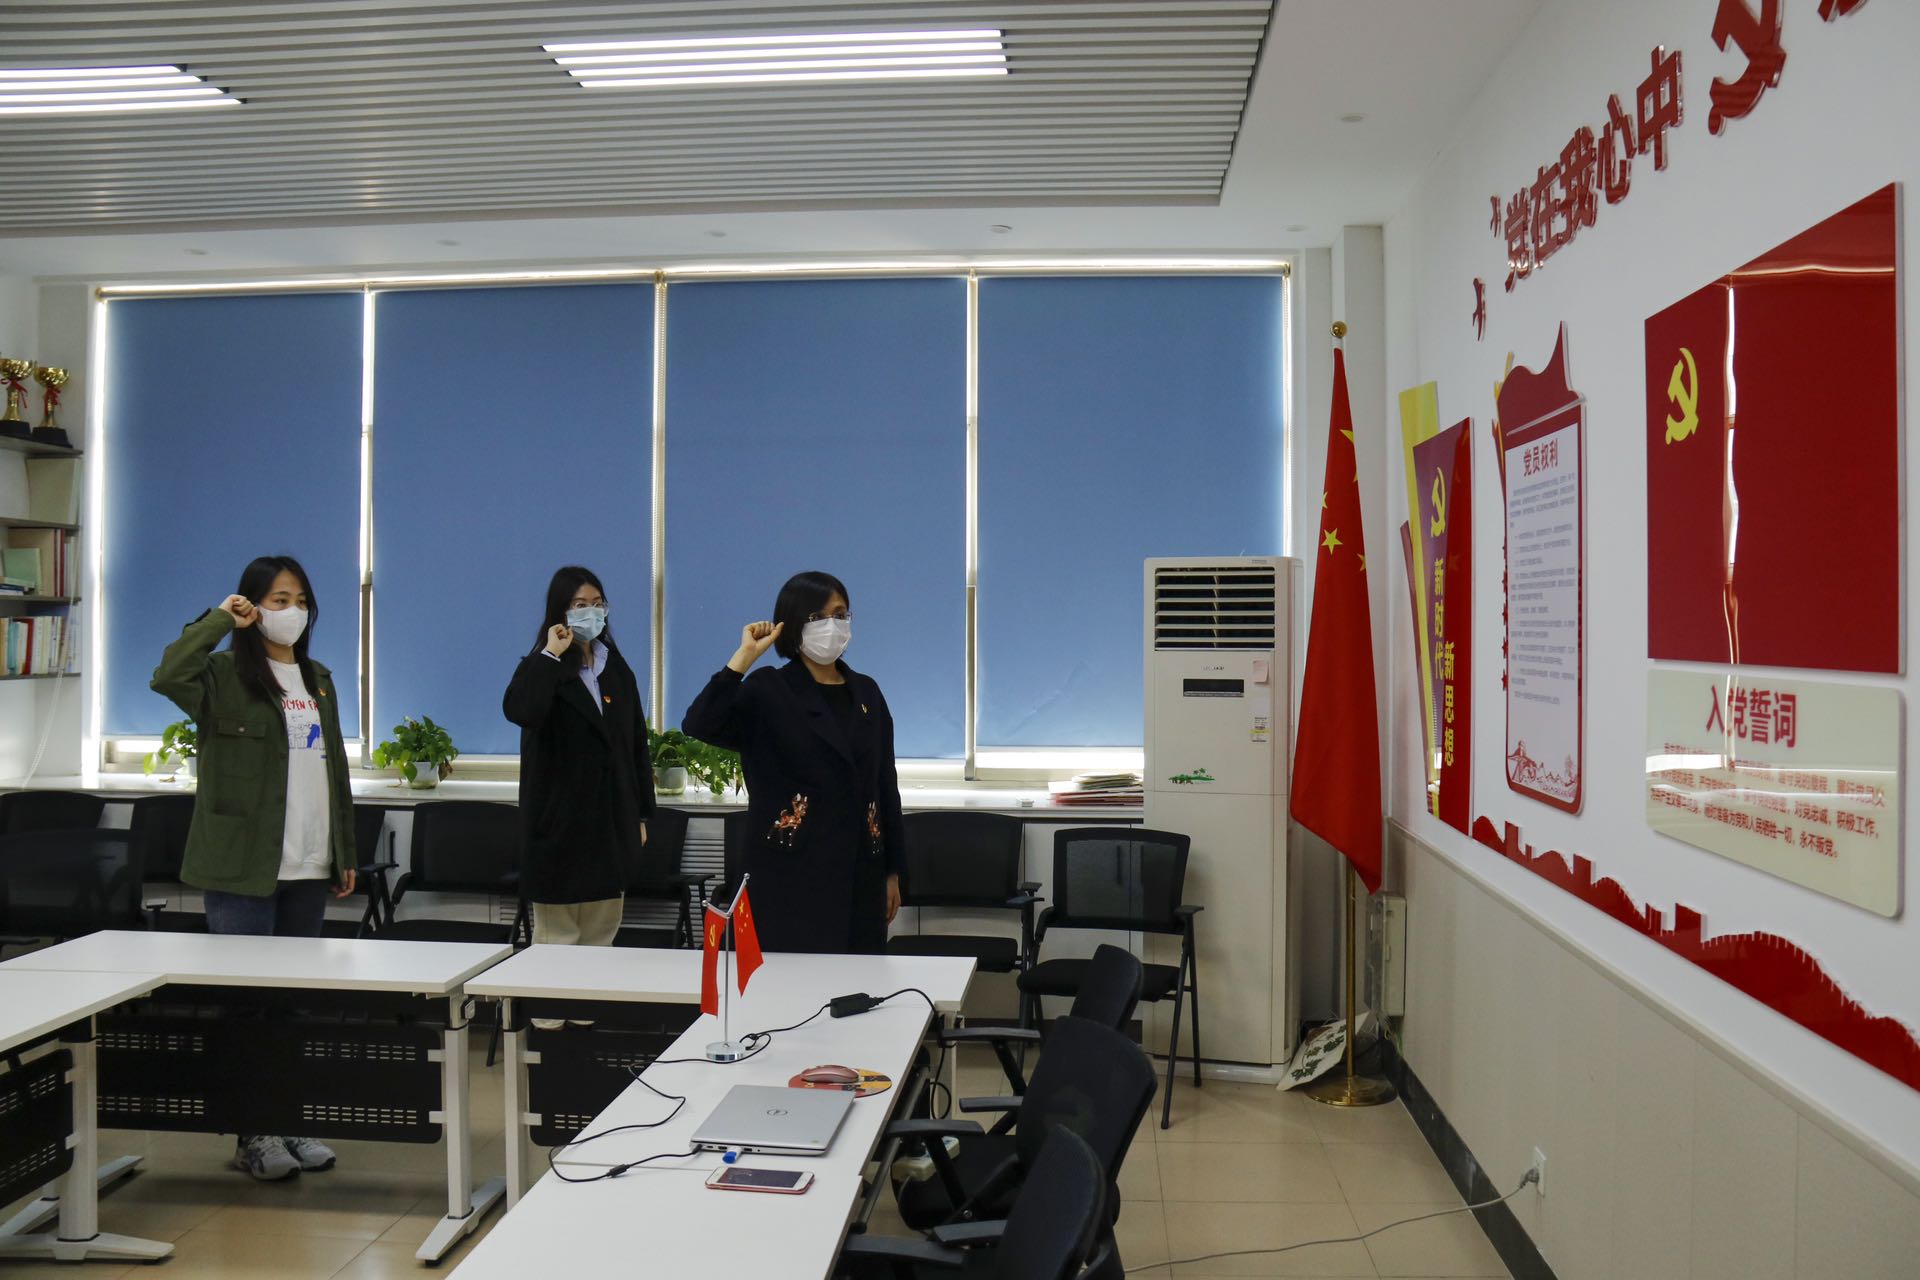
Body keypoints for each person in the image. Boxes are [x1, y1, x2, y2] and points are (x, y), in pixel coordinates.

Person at [150, 555, 356, 1183]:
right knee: (247, 1003)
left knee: (291, 1004)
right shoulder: (220, 676)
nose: (291, 610)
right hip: (242, 865)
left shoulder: (318, 679)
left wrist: (343, 852)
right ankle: (253, 1131)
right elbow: (167, 674)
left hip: (308, 862)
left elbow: (332, 772)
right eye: (277, 599)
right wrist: (219, 620)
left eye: (300, 599)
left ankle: (287, 1118)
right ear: (252, 606)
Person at [684, 571, 904, 954]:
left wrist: (892, 872)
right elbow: (701, 723)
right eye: (818, 617)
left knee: (859, 981)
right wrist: (742, 659)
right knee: (790, 981)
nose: (832, 625)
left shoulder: (867, 692)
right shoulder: (768, 689)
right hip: (790, 873)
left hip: (861, 872)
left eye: (841, 614)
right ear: (794, 623)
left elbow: (885, 785)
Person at [502, 567, 654, 976]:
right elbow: (523, 711)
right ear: (561, 612)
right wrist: (550, 655)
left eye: (598, 603)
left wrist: (641, 813)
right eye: (580, 604)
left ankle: (590, 1012)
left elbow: (635, 745)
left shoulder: (615, 669)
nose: (592, 612)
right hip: (560, 827)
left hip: (611, 825)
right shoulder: (541, 667)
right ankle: (552, 1015)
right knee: (558, 943)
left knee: (601, 938)